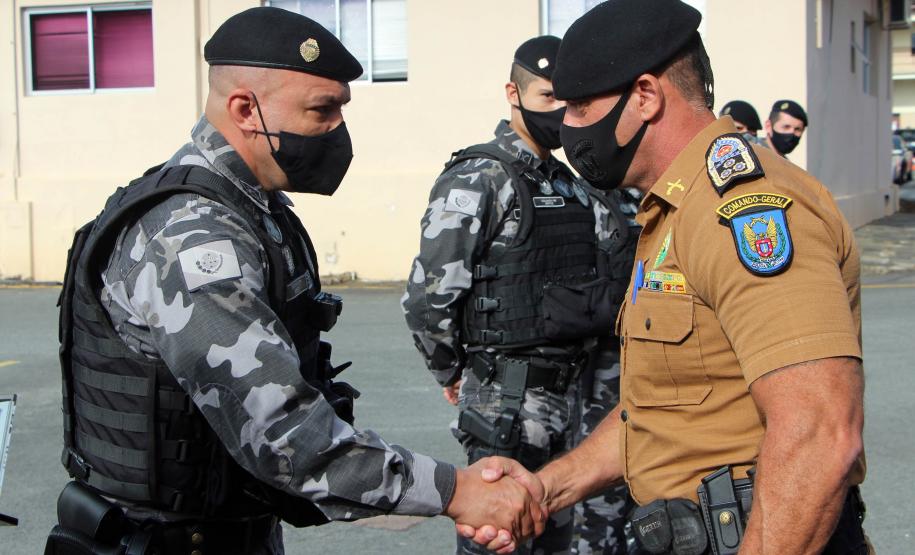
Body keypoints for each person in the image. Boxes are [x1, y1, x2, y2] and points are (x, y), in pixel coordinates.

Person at [46, 8, 542, 555]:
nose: (338, 129)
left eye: (341, 109)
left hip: (229, 532)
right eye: (321, 110)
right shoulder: (192, 234)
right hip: (164, 542)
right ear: (245, 109)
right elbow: (282, 434)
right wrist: (457, 491)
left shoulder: (255, 211)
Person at [462, 1, 869, 554]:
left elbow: (818, 433)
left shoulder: (742, 211)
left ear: (646, 96)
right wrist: (545, 488)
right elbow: (662, 411)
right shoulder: (674, 209)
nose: (567, 126)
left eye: (579, 106)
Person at [402, 35, 633, 554]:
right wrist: (450, 370)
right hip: (507, 399)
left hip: (574, 396)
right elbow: (428, 296)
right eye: (548, 97)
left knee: (554, 539)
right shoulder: (478, 177)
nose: (560, 112)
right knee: (498, 537)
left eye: (569, 101)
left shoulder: (571, 184)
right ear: (514, 93)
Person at [571, 187, 640, 555]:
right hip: (605, 363)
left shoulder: (655, 197)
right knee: (602, 499)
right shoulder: (590, 198)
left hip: (635, 360)